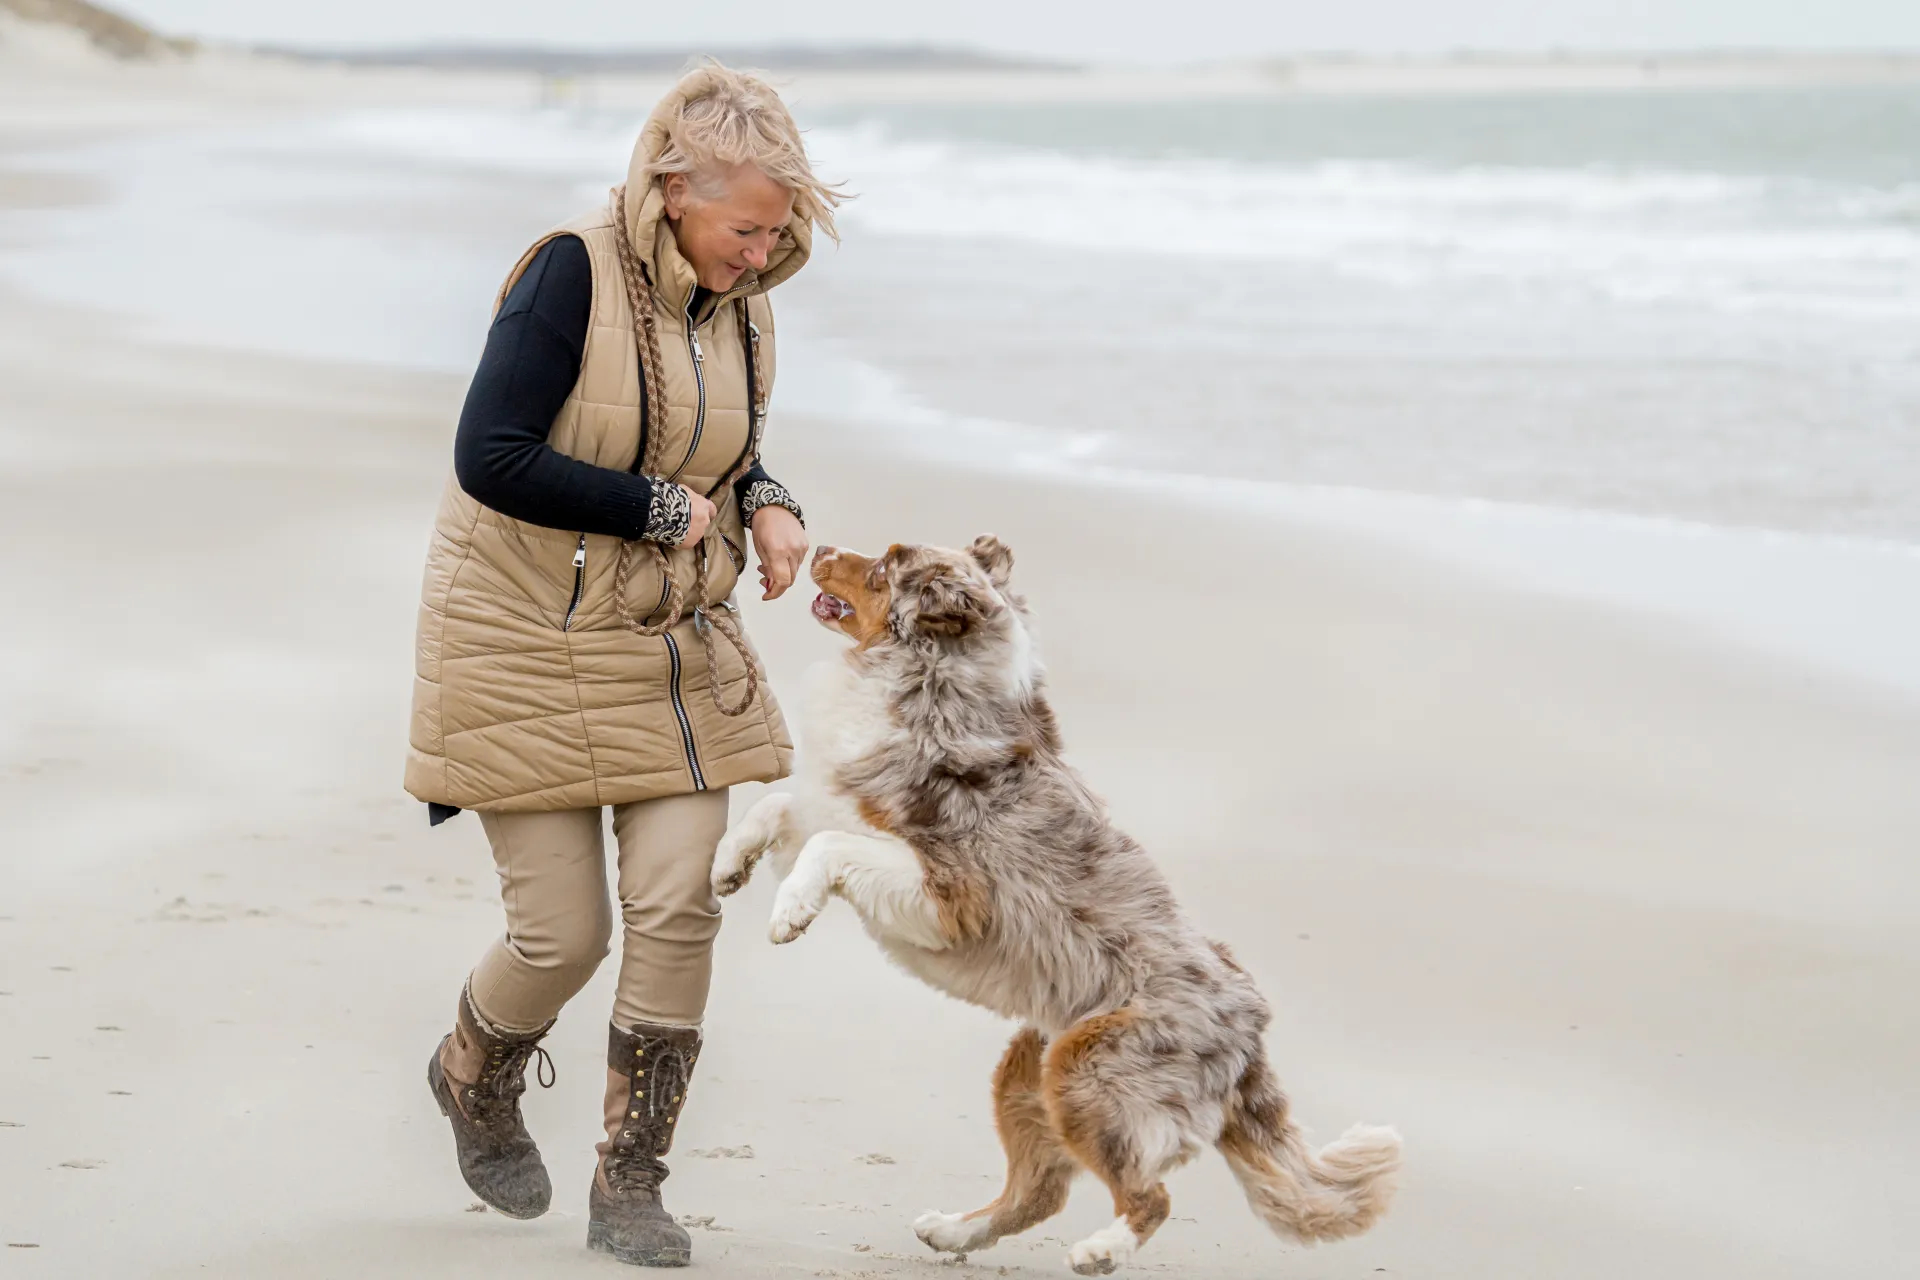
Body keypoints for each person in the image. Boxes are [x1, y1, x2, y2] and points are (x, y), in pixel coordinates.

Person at [404, 63, 840, 1268]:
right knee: (563, 937)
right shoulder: (567, 275)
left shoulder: (742, 305)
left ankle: (630, 1181)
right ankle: (470, 1071)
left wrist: (770, 502)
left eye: (778, 231)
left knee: (677, 901)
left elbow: (725, 448)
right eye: (747, 227)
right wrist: (658, 507)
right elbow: (490, 454)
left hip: (669, 649)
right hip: (523, 638)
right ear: (669, 190)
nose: (762, 254)